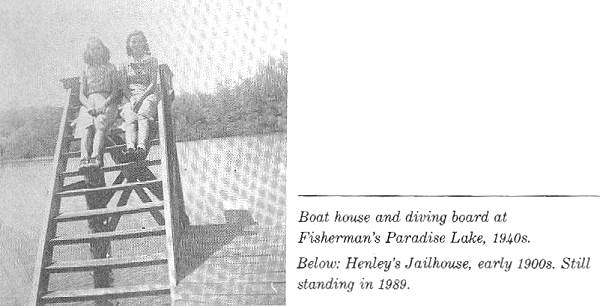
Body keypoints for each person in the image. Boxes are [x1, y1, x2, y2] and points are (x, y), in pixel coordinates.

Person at [74, 37, 118, 171]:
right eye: (92, 49)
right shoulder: (86, 69)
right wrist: (89, 106)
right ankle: (84, 158)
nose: (96, 52)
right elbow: (82, 94)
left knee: (100, 123)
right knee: (86, 125)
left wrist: (104, 104)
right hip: (89, 103)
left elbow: (115, 91)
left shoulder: (110, 67)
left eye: (98, 48)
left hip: (106, 101)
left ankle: (96, 157)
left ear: (103, 49)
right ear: (89, 52)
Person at [119, 30, 159, 161]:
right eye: (133, 41)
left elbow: (153, 83)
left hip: (147, 94)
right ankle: (130, 148)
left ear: (144, 43)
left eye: (140, 41)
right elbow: (124, 86)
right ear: (129, 44)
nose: (137, 44)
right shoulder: (124, 63)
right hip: (130, 96)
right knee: (130, 119)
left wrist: (141, 99)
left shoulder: (152, 60)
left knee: (142, 115)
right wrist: (131, 99)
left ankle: (141, 147)